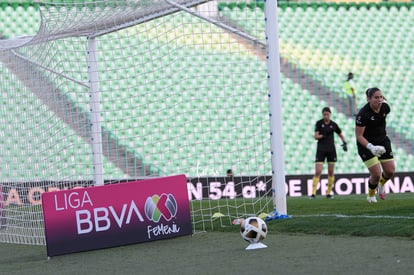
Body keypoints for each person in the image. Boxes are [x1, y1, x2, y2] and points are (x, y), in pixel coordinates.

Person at [355, 87, 395, 203]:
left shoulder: (385, 108)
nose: (379, 100)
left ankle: (381, 185)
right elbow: (359, 136)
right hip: (366, 144)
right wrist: (371, 147)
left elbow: (381, 122)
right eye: (376, 97)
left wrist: (384, 135)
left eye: (380, 97)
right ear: (369, 99)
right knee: (376, 174)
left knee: (390, 171)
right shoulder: (363, 114)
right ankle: (371, 195)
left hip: (382, 141)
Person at [311, 107, 347, 199]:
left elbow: (340, 134)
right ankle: (313, 193)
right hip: (321, 149)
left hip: (331, 149)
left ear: (330, 114)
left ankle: (329, 192)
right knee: (318, 171)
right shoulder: (319, 123)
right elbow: (316, 136)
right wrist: (322, 136)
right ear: (322, 115)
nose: (326, 116)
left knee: (331, 171)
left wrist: (344, 142)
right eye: (324, 114)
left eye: (327, 114)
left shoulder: (333, 124)